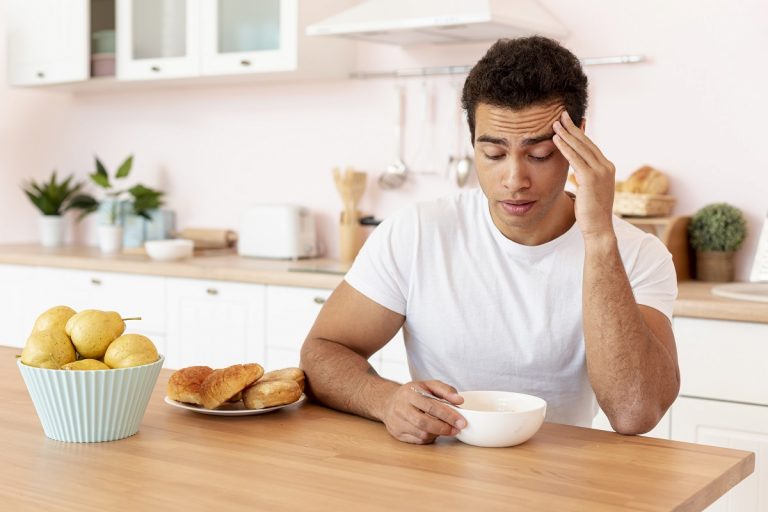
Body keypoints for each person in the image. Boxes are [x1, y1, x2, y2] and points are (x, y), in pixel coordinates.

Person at [301, 36, 680, 444]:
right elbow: (323, 350)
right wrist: (383, 399)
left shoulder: (637, 253)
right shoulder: (416, 232)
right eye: (494, 155)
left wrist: (599, 235)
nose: (514, 180)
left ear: (578, 142)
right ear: (472, 144)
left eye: (539, 155)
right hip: (436, 471)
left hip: (563, 480)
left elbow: (635, 412)